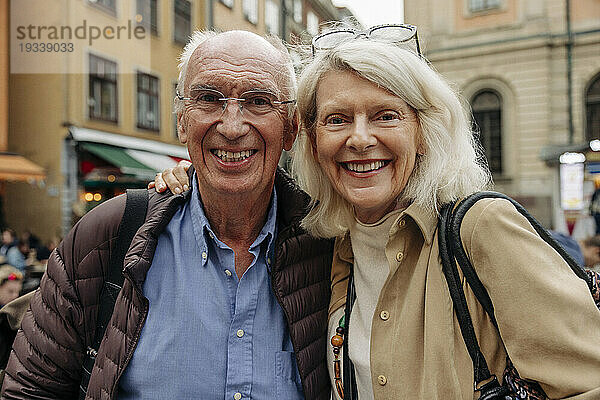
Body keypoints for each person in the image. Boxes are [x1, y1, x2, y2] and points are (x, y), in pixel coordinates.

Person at [156, 23, 600, 399]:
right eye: (337, 119)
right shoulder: (333, 247)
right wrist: (188, 180)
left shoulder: (482, 229)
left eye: (385, 116)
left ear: (423, 130)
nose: (360, 139)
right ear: (309, 140)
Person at [1, 30, 334, 400]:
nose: (233, 126)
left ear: (290, 129)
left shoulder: (330, 248)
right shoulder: (107, 236)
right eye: (209, 99)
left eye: (258, 101)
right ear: (181, 120)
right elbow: (31, 391)